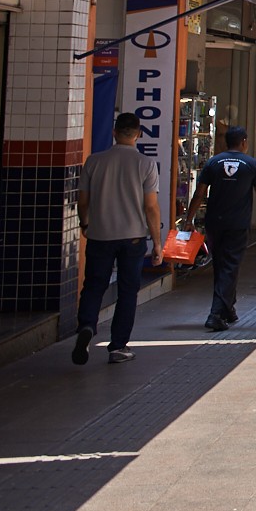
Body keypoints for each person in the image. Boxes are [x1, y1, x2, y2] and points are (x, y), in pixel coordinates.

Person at [71, 112, 164, 365]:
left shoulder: (94, 161)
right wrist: (157, 242)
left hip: (100, 234)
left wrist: (85, 223)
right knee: (127, 291)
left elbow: (83, 200)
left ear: (115, 132)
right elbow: (151, 207)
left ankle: (87, 327)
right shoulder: (146, 164)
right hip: (132, 237)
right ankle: (118, 346)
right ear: (138, 134)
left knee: (93, 285)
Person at [187, 126, 256, 333]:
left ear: (226, 142)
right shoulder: (252, 164)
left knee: (221, 264)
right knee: (231, 265)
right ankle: (216, 314)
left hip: (215, 223)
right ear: (244, 141)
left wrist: (189, 219)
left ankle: (229, 308)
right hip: (237, 224)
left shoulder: (213, 163)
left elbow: (199, 194)